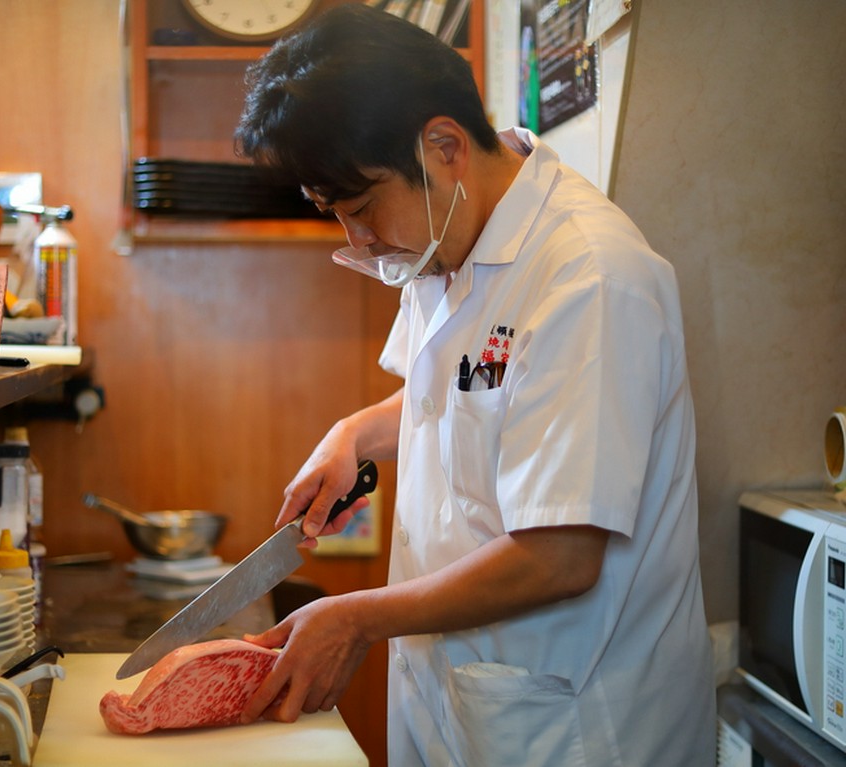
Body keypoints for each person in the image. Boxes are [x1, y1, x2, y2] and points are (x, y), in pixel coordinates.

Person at [234, 5, 716, 766]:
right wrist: (355, 433)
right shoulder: (441, 236)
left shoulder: (588, 277)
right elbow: (465, 396)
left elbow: (559, 553)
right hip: (460, 701)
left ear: (445, 145)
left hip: (575, 726)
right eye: (336, 214)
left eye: (361, 208)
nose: (356, 239)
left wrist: (356, 617)